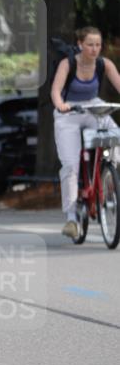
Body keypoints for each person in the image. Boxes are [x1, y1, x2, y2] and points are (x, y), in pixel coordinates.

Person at [51, 26, 120, 239]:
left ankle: (111, 174)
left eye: (98, 45)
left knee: (117, 135)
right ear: (80, 44)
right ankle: (71, 218)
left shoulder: (104, 64)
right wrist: (61, 104)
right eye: (90, 44)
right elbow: (55, 91)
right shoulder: (68, 63)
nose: (94, 49)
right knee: (70, 165)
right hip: (69, 112)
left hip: (92, 107)